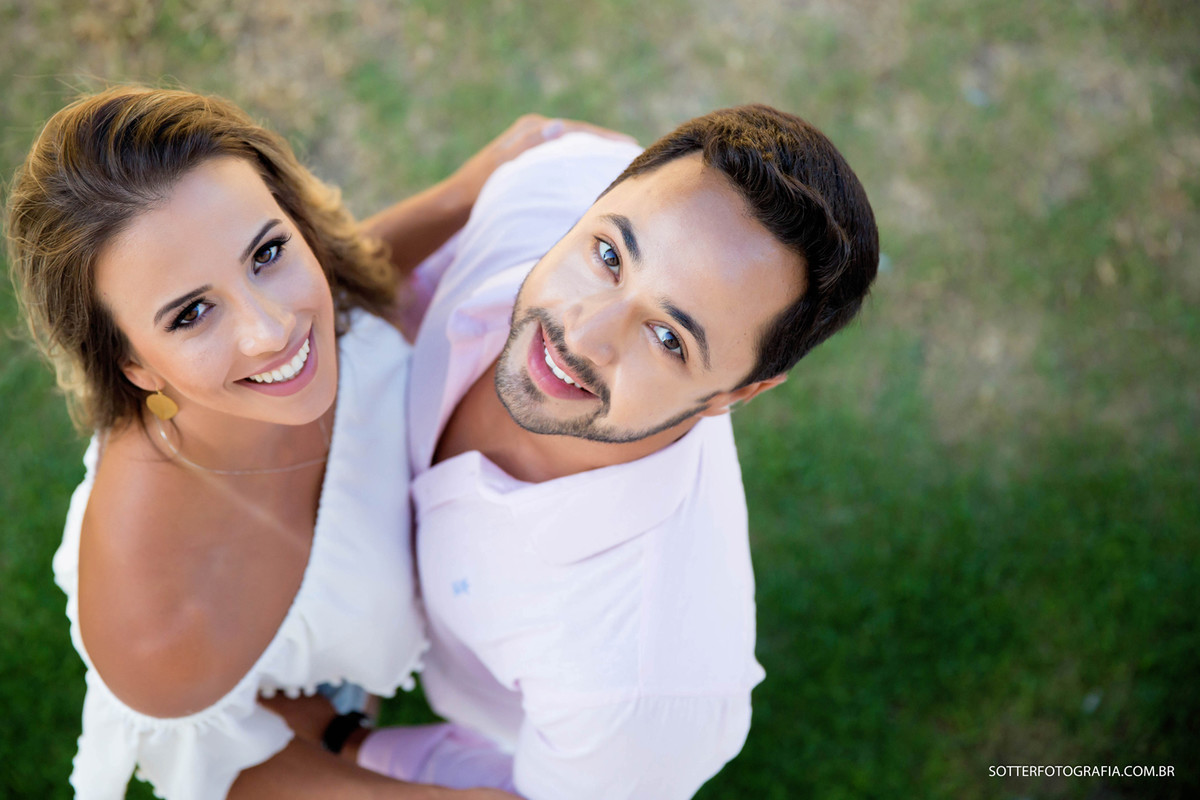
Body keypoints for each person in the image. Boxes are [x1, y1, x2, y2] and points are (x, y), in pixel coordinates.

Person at [5, 85, 626, 800]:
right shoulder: (160, 625)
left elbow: (351, 272)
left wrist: (474, 183)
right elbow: (225, 764)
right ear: (134, 366)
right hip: (300, 695)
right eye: (192, 313)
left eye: (267, 251)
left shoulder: (307, 304)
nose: (273, 330)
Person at [278, 104, 879, 798]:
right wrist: (462, 193)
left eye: (669, 338)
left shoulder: (641, 690)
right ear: (596, 197)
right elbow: (390, 295)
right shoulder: (546, 186)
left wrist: (344, 740)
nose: (582, 334)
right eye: (610, 256)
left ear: (737, 394)